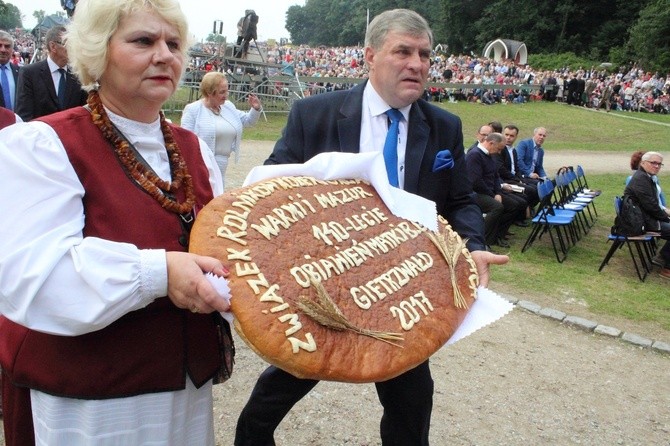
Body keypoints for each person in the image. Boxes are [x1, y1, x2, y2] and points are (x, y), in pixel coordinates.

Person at [234, 9, 508, 446]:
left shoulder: (444, 126)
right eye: (403, 51)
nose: (416, 63)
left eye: (424, 54)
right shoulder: (314, 114)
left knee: (412, 406)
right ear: (370, 56)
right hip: (325, 286)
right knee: (273, 398)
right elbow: (269, 191)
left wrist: (473, 245)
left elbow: (458, 201)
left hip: (400, 288)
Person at [0, 0, 234, 444]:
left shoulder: (195, 151)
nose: (165, 55)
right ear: (97, 52)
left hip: (184, 389)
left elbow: (227, 247)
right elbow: (33, 273)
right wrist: (158, 273)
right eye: (143, 41)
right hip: (92, 399)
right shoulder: (44, 144)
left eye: (173, 43)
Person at [181, 71, 261, 189]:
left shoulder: (228, 106)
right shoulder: (193, 110)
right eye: (222, 92)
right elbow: (184, 141)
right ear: (209, 92)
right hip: (201, 165)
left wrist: (256, 109)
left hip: (222, 164)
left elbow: (248, 121)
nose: (226, 95)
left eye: (227, 91)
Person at [15, 26, 88, 121]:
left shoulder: (77, 74)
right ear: (53, 46)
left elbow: (83, 112)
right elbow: (25, 115)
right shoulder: (29, 73)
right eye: (68, 44)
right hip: (41, 134)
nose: (73, 48)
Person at [467, 132, 526, 248]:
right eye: (499, 149)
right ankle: (483, 241)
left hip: (490, 192)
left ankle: (498, 235)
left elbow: (495, 177)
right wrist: (493, 194)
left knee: (517, 204)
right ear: (491, 143)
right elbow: (476, 181)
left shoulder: (490, 155)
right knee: (496, 207)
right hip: (475, 193)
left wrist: (498, 192)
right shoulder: (474, 155)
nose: (499, 152)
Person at [624, 152, 670, 279]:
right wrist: (666, 218)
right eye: (653, 163)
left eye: (659, 164)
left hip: (646, 218)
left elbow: (653, 205)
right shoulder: (641, 179)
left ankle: (662, 257)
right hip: (642, 223)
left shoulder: (646, 177)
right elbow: (651, 206)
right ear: (643, 163)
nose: (657, 166)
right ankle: (666, 268)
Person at [497, 124, 540, 211]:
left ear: (516, 137)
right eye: (506, 135)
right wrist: (517, 180)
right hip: (506, 180)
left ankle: (528, 209)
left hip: (514, 178)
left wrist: (521, 180)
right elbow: (501, 169)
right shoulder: (500, 150)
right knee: (531, 190)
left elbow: (517, 168)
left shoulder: (513, 150)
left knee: (538, 186)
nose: (508, 138)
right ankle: (523, 212)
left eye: (511, 136)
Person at [0, 30, 19, 111]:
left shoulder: (20, 72)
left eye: (7, 46)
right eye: (0, 45)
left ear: (12, 50)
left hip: (17, 122)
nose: (3, 50)